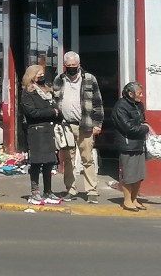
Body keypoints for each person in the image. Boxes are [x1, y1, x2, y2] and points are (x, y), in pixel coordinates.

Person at [52, 51, 104, 203]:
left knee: (87, 159)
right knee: (68, 160)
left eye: (74, 66)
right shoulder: (59, 79)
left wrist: (98, 124)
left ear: (79, 65)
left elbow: (98, 103)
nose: (71, 68)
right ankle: (70, 190)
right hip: (66, 126)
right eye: (68, 66)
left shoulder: (89, 79)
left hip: (85, 125)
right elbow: (55, 101)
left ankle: (92, 191)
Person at [21, 65, 62, 206]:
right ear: (31, 75)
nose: (41, 76)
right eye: (39, 74)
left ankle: (48, 191)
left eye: (43, 74)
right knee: (37, 162)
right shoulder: (27, 93)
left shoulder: (47, 91)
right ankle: (35, 192)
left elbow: (56, 108)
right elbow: (31, 113)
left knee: (49, 162)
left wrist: (56, 113)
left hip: (49, 130)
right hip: (36, 131)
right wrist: (51, 112)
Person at [112, 82, 150, 212]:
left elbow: (142, 120)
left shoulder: (139, 105)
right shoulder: (120, 106)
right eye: (139, 93)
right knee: (129, 174)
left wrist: (143, 127)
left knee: (139, 174)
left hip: (139, 143)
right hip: (128, 145)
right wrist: (145, 128)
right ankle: (127, 201)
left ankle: (134, 199)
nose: (142, 95)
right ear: (130, 94)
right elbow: (127, 127)